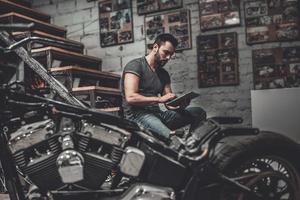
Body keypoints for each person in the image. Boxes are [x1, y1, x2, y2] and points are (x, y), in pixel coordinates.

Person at [121, 33, 206, 138]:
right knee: (171, 138)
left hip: (158, 114)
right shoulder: (135, 65)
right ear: (155, 47)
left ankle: (191, 142)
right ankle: (178, 144)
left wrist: (180, 106)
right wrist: (159, 99)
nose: (168, 57)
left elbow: (169, 104)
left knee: (199, 112)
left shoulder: (163, 74)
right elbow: (130, 98)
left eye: (171, 54)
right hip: (137, 115)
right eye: (166, 53)